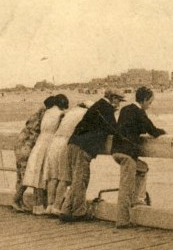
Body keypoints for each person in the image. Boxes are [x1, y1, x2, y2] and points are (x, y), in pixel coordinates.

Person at [60, 89, 126, 222]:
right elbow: (113, 129)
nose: (119, 104)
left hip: (73, 143)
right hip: (83, 147)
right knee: (81, 179)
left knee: (76, 179)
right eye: (118, 100)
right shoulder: (105, 108)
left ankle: (66, 210)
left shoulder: (97, 106)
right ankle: (78, 212)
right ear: (112, 98)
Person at [112, 86, 166, 229]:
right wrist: (163, 131)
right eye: (150, 102)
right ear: (144, 100)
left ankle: (138, 199)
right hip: (127, 154)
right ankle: (122, 220)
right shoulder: (139, 112)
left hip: (116, 151)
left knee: (142, 168)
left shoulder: (125, 109)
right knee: (126, 187)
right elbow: (153, 130)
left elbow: (131, 127)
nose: (150, 105)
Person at [41, 99, 90, 216]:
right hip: (65, 143)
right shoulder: (84, 113)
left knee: (53, 177)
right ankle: (58, 206)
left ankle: (50, 206)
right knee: (64, 178)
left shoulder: (71, 112)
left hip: (54, 142)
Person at [22, 94, 68, 215]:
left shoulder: (46, 112)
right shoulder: (61, 114)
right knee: (47, 174)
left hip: (40, 142)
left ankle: (37, 206)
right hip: (50, 142)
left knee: (37, 174)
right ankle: (48, 204)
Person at [12, 95, 57, 212]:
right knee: (26, 175)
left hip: (21, 144)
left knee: (23, 175)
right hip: (27, 146)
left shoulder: (40, 112)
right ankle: (16, 200)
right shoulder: (45, 114)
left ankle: (19, 201)